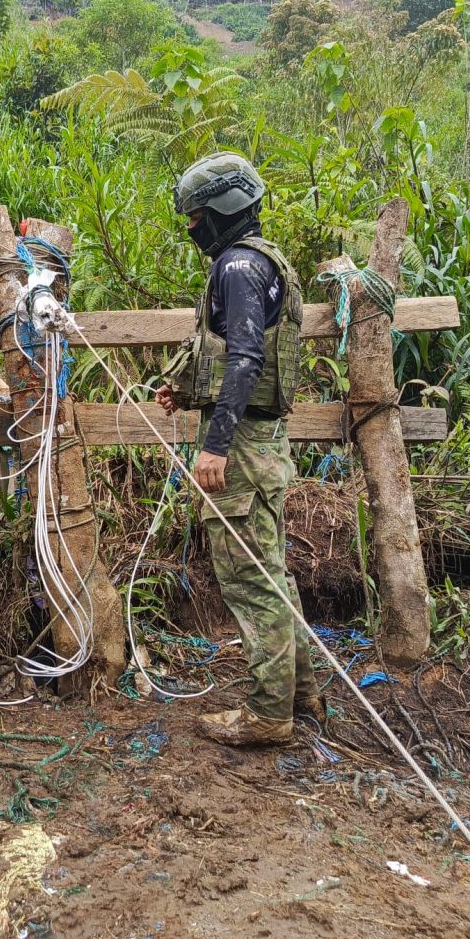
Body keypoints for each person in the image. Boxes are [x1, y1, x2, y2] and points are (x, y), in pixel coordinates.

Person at [156, 152, 323, 747]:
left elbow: (248, 357)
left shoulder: (235, 267)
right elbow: (234, 353)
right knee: (272, 573)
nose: (191, 227)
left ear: (220, 212)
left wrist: (216, 444)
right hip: (263, 440)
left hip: (244, 447)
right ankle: (302, 693)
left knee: (250, 580)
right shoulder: (266, 262)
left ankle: (267, 714)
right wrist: (188, 390)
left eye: (195, 216)